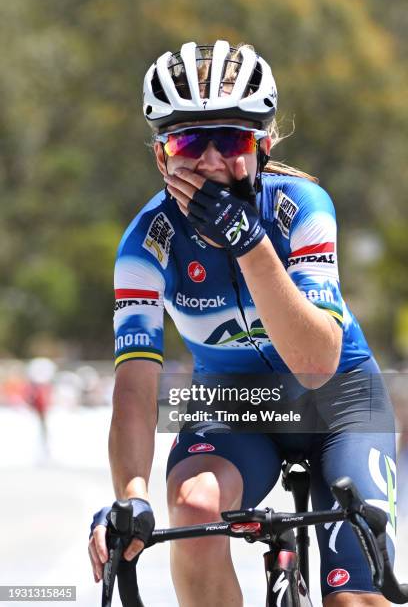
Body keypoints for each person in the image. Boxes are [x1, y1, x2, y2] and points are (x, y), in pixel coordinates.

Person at [88, 41, 397, 606]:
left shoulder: (302, 207)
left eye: (229, 140)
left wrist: (249, 243)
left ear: (263, 145)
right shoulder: (146, 245)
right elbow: (134, 387)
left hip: (337, 399)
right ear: (161, 157)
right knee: (194, 507)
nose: (208, 161)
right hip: (234, 405)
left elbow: (315, 362)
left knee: (354, 599)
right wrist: (130, 495)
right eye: (186, 142)